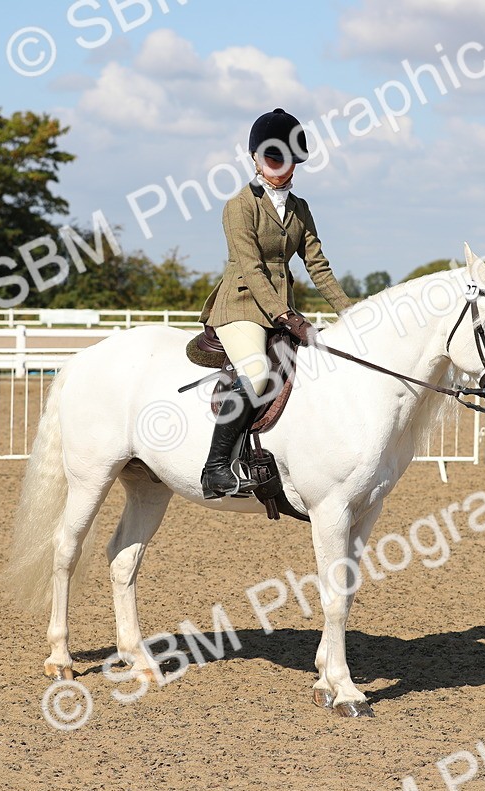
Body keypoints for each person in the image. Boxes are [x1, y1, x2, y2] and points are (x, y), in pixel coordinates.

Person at [197, 108, 354, 499]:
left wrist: (351, 312)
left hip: (282, 310)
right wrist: (285, 315)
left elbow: (317, 265)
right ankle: (216, 468)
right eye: (272, 158)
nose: (280, 167)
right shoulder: (239, 206)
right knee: (256, 372)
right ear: (255, 158)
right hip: (242, 306)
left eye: (287, 159)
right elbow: (251, 268)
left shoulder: (300, 208)